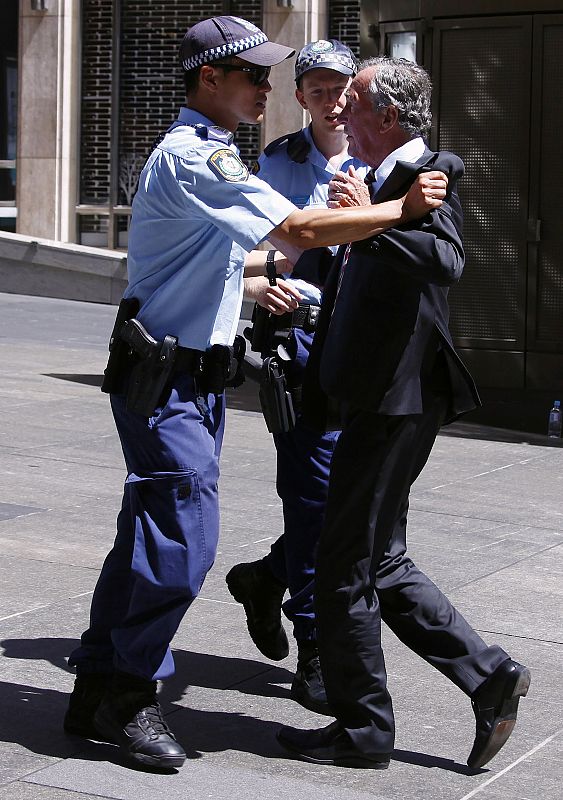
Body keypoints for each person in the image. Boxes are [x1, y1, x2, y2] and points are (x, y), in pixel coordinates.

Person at [62, 17, 447, 771]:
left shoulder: (210, 153)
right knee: (183, 544)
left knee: (146, 536)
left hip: (188, 378)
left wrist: (256, 285)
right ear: (210, 78)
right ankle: (131, 695)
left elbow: (208, 262)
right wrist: (399, 211)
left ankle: (97, 684)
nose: (268, 89)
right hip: (166, 379)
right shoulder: (196, 156)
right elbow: (301, 226)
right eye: (254, 76)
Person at [277, 57, 531, 770]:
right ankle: (488, 676)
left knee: (343, 563)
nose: (339, 113)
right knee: (378, 560)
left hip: (398, 399)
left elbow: (445, 259)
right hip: (369, 393)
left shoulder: (430, 172)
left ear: (387, 116)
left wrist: (366, 221)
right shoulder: (374, 180)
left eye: (352, 102)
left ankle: (363, 729)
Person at [225, 39, 367, 717]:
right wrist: (263, 285)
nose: (332, 102)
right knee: (312, 497)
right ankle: (314, 642)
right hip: (301, 343)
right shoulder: (280, 160)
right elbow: (252, 246)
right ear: (301, 97)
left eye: (341, 89)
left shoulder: (383, 155)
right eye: (317, 90)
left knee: (352, 501)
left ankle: (265, 577)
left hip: (366, 348)